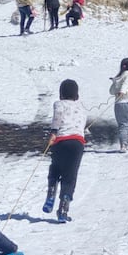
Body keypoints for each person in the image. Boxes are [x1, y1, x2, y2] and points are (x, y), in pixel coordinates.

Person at [42, 79, 87, 223]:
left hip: (61, 141)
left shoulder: (58, 104)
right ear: (76, 94)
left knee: (55, 168)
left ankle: (51, 193)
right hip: (77, 143)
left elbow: (58, 118)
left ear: (61, 93)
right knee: (70, 176)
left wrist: (53, 132)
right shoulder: (81, 107)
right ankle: (63, 209)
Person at [109, 57, 128, 152]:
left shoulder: (118, 78)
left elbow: (111, 91)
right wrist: (122, 91)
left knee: (123, 125)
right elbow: (126, 84)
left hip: (119, 105)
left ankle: (123, 146)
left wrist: (114, 82)